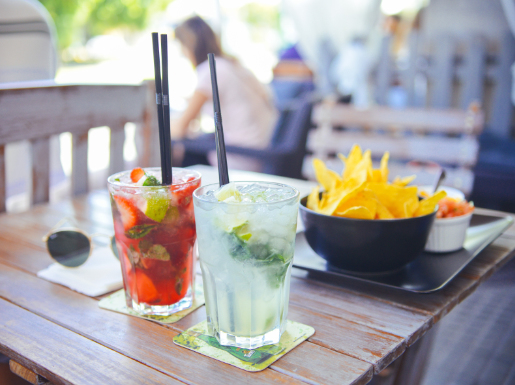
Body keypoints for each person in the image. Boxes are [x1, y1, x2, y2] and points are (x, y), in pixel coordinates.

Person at [173, 16, 277, 172]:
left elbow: (181, 128)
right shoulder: (232, 64)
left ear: (189, 46)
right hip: (264, 152)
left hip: (240, 158)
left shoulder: (211, 70)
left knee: (184, 152)